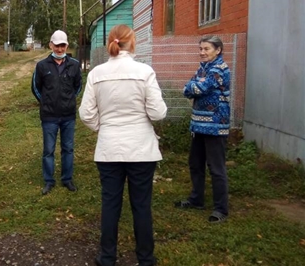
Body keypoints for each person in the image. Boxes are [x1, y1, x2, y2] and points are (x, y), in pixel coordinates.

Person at [79, 25, 167, 266]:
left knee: (110, 204)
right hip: (141, 148)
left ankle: (107, 257)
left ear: (110, 43)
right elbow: (158, 113)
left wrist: (104, 127)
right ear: (133, 43)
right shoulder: (144, 71)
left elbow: (86, 113)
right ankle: (146, 259)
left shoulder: (96, 73)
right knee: (141, 205)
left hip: (109, 148)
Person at [175, 35, 230, 223]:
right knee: (195, 163)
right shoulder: (202, 68)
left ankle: (221, 209)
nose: (202, 52)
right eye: (201, 49)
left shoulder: (220, 69)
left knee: (216, 168)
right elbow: (187, 88)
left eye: (206, 49)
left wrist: (193, 86)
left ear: (218, 50)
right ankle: (197, 199)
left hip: (215, 126)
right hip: (198, 124)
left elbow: (200, 88)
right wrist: (192, 86)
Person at [31, 30, 83, 195]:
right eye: (57, 45)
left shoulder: (74, 64)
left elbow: (78, 86)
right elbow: (35, 87)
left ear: (67, 45)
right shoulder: (41, 66)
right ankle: (49, 180)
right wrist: (46, 102)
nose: (60, 49)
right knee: (49, 150)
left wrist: (68, 101)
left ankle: (67, 179)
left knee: (68, 149)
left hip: (68, 116)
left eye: (63, 45)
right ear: (50, 45)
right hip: (49, 116)